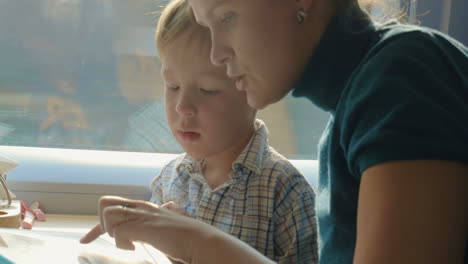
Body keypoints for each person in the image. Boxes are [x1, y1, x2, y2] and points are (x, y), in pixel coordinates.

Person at [82, 0, 468, 263]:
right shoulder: (353, 108)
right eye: (206, 26)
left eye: (226, 17)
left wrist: (197, 242)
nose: (217, 52)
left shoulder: (405, 74)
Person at [82, 0, 318, 263]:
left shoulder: (285, 193)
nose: (183, 106)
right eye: (172, 86)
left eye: (207, 90)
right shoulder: (169, 181)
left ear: (251, 88)